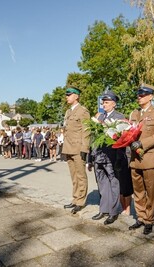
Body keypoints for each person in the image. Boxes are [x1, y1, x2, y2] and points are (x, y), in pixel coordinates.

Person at [128, 83, 154, 235]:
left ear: (150, 96)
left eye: (143, 95)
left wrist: (141, 143)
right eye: (138, 94)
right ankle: (141, 217)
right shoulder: (134, 114)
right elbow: (128, 132)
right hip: (135, 159)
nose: (139, 97)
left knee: (150, 192)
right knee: (138, 191)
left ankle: (149, 220)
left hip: (150, 158)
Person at [88, 91, 127, 225]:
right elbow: (93, 137)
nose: (104, 105)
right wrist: (90, 156)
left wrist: (119, 158)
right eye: (103, 102)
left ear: (114, 104)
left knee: (113, 183)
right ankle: (103, 209)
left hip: (112, 156)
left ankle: (113, 211)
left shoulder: (119, 117)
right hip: (99, 155)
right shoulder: (100, 117)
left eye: (107, 102)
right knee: (102, 183)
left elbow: (122, 138)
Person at [62, 86, 91, 214]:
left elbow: (86, 131)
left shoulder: (83, 111)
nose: (66, 97)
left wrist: (85, 148)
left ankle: (80, 201)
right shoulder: (68, 112)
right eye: (67, 95)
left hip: (78, 148)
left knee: (80, 176)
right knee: (74, 176)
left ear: (76, 96)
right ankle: (75, 198)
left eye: (69, 95)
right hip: (68, 147)